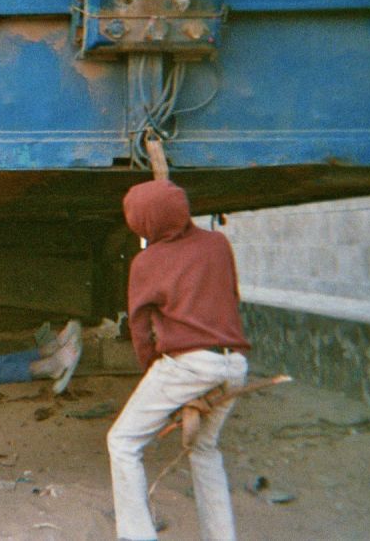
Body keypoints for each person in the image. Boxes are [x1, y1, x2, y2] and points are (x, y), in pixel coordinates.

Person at [107, 179, 250, 541]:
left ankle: (137, 536)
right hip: (234, 365)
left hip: (188, 366)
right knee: (204, 449)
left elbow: (140, 329)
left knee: (123, 442)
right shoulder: (218, 244)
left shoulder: (146, 262)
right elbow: (231, 297)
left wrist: (153, 375)